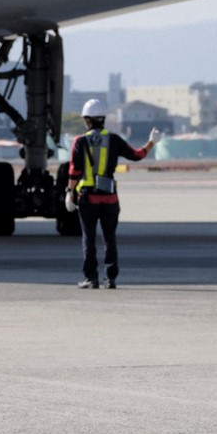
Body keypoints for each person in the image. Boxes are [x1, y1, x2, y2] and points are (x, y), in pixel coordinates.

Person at [66, 98, 160, 290]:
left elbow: (74, 171)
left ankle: (91, 279)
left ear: (87, 120)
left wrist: (69, 192)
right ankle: (111, 279)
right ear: (103, 119)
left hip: (88, 198)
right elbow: (137, 155)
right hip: (110, 198)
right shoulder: (114, 139)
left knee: (88, 239)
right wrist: (151, 142)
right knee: (110, 239)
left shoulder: (80, 141)